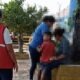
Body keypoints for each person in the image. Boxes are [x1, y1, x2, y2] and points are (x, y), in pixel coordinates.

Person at [29, 15, 56, 80]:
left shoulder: (41, 25)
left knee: (38, 65)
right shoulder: (45, 27)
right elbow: (47, 39)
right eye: (52, 23)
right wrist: (54, 43)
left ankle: (32, 78)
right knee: (37, 64)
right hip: (35, 48)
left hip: (33, 47)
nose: (52, 25)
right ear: (48, 22)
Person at [0, 10, 18, 80]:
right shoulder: (4, 30)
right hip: (5, 65)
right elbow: (9, 49)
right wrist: (15, 62)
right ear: (1, 17)